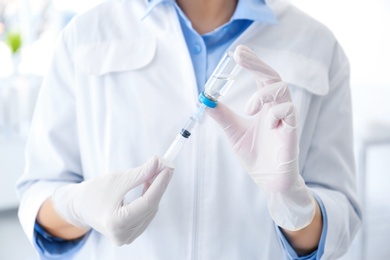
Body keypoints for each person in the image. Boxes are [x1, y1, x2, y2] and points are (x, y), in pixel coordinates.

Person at [16, 0, 361, 259]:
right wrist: (76, 207)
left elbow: (341, 216)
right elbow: (39, 192)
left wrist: (293, 203)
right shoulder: (87, 34)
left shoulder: (316, 46)